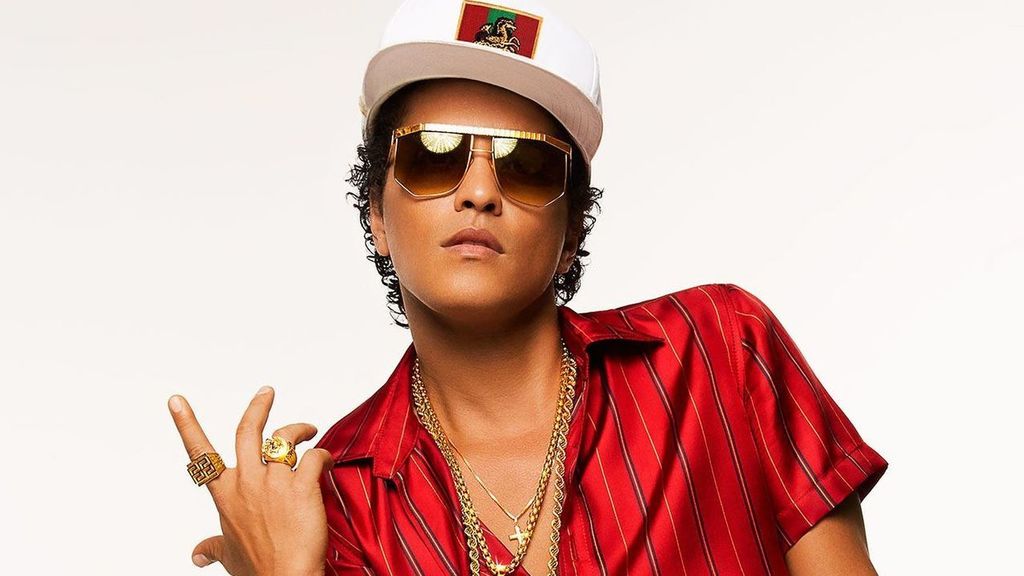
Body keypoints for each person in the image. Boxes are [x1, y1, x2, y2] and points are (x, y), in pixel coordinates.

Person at [168, 0, 888, 574]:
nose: (479, 192)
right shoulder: (338, 502)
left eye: (527, 167)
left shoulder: (719, 353)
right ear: (377, 217)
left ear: (572, 229)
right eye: (432, 155)